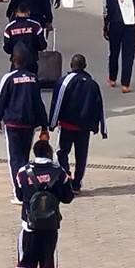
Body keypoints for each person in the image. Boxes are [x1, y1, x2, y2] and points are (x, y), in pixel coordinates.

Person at [15, 140, 74, 268]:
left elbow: (19, 196)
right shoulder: (60, 172)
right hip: (51, 226)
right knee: (47, 263)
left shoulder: (23, 172)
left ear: (35, 153)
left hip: (29, 226)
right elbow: (68, 197)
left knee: (26, 261)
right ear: (49, 153)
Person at [0, 47, 49, 204]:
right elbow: (38, 103)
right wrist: (44, 125)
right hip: (28, 124)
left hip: (12, 123)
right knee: (24, 158)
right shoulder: (33, 79)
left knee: (14, 158)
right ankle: (27, 187)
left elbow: (1, 100)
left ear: (13, 60)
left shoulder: (8, 78)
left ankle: (19, 192)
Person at [48, 54, 106, 193]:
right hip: (84, 129)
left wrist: (52, 123)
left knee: (61, 152)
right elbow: (99, 106)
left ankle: (66, 176)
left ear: (71, 65)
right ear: (85, 66)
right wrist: (101, 128)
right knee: (81, 156)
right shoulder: (92, 84)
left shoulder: (64, 82)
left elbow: (57, 102)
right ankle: (77, 184)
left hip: (67, 126)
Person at [3, 2, 47, 74]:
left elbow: (6, 47)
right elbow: (42, 45)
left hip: (16, 62)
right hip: (32, 62)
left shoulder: (9, 27)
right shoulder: (35, 26)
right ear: (28, 12)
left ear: (16, 13)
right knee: (32, 82)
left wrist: (15, 52)